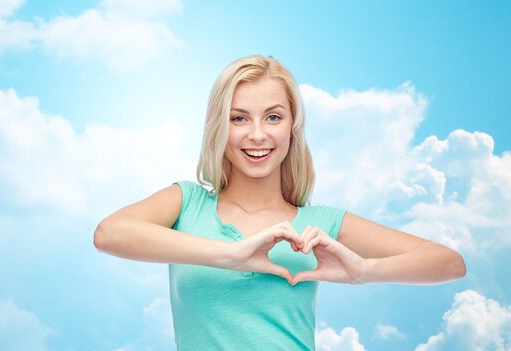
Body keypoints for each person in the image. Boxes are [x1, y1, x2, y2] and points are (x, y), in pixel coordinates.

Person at [93, 55, 466, 350]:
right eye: (239, 118)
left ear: (292, 127)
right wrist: (231, 254)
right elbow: (109, 234)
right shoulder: (186, 204)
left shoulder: (323, 224)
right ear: (219, 127)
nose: (257, 134)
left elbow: (449, 263)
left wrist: (364, 271)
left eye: (273, 117)